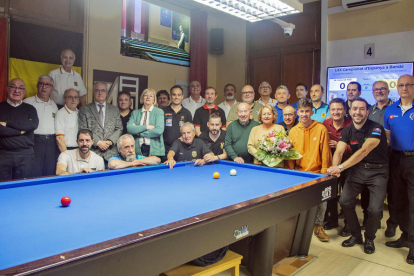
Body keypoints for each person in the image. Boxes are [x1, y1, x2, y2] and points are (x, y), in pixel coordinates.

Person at [327, 97, 389, 255]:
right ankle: (355, 235)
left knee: (375, 210)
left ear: (367, 112)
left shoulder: (376, 128)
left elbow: (364, 151)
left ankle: (369, 238)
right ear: (350, 111)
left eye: (362, 109)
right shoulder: (347, 130)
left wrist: (340, 167)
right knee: (345, 201)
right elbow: (339, 151)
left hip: (378, 171)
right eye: (355, 109)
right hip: (358, 170)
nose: (358, 112)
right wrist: (335, 168)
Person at [287, 98, 332, 242]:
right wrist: (291, 172)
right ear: (297, 113)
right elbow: (290, 154)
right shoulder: (293, 131)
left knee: (321, 202)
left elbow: (325, 153)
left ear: (312, 112)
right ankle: (298, 227)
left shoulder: (321, 129)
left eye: (307, 111)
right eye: (302, 111)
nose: (304, 114)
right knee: (299, 201)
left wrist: (325, 173)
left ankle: (318, 226)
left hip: (317, 173)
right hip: (299, 173)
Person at [384, 74, 414, 264]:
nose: (404, 88)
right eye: (401, 85)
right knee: (398, 201)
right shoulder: (390, 110)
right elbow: (388, 138)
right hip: (396, 159)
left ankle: (413, 244)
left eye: (408, 85)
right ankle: (405, 235)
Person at [368, 80, 397, 238]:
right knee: (375, 192)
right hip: (372, 158)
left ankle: (392, 224)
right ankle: (375, 220)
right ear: (372, 92)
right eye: (376, 90)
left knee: (393, 192)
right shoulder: (369, 110)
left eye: (382, 89)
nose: (379, 92)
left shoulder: (393, 108)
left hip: (393, 155)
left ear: (388, 90)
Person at [322, 98, 353, 235]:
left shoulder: (351, 123)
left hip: (349, 165)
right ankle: (332, 220)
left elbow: (357, 147)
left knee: (347, 197)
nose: (336, 112)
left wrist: (340, 146)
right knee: (331, 194)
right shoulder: (326, 123)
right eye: (333, 109)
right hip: (331, 165)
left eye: (339, 109)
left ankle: (348, 224)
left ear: (345, 111)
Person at [0, 78, 39, 181]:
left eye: (20, 88)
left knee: (24, 189)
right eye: (13, 87)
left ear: (24, 91)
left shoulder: (30, 109)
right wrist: (19, 131)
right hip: (3, 155)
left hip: (25, 156)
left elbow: (33, 125)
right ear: (7, 89)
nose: (17, 90)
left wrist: (7, 123)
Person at [78, 82, 123, 167]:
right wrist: (98, 142)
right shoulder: (84, 110)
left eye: (103, 90)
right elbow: (83, 129)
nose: (100, 93)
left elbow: (119, 128)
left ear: (106, 93)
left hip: (111, 154)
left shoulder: (114, 110)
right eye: (97, 90)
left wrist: (109, 142)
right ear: (93, 92)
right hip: (93, 153)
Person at [24, 75, 59, 177]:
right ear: (37, 86)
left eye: (47, 85)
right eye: (41, 84)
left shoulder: (54, 105)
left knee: (50, 170)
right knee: (35, 170)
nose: (44, 87)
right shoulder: (27, 102)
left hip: (51, 142)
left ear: (52, 88)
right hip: (34, 141)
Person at [127, 88, 165, 158]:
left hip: (154, 150)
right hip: (138, 148)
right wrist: (147, 127)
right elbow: (129, 128)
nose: (148, 97)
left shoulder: (159, 112)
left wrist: (139, 133)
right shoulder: (135, 113)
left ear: (154, 99)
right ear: (142, 98)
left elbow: (158, 130)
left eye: (151, 96)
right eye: (146, 95)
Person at [162, 85, 192, 158]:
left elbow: (190, 132)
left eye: (179, 95)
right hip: (165, 149)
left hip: (182, 149)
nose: (176, 97)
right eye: (174, 94)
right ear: (170, 96)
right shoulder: (163, 111)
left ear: (182, 96)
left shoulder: (187, 113)